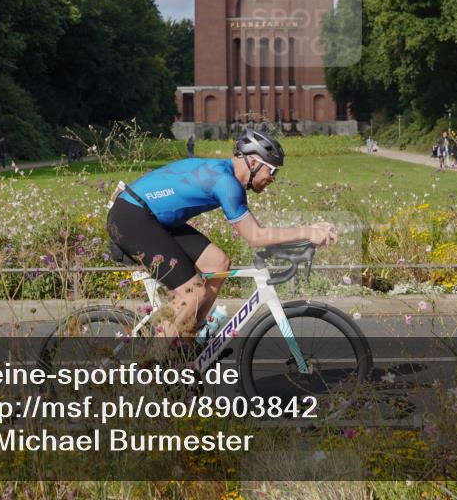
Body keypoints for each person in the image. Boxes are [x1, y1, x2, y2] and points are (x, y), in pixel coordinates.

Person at [105, 129, 337, 342]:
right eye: (272, 170)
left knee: (218, 263)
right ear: (254, 162)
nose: (273, 178)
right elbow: (255, 236)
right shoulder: (226, 183)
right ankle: (152, 369)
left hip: (153, 217)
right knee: (192, 292)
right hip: (132, 217)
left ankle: (188, 337)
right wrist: (307, 232)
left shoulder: (225, 173)